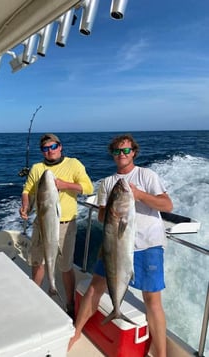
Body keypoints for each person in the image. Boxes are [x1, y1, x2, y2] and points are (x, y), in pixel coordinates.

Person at [69, 134, 173, 357]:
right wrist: (108, 209)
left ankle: (161, 354)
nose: (122, 154)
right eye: (117, 151)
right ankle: (76, 332)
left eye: (126, 150)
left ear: (133, 152)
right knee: (96, 286)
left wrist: (138, 195)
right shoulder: (107, 183)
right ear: (112, 154)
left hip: (148, 245)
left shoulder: (147, 175)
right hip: (113, 243)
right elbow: (101, 217)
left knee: (152, 298)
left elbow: (167, 205)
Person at [20, 133, 93, 318]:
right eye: (45, 148)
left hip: (65, 225)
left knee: (65, 266)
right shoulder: (37, 168)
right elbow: (27, 190)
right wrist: (25, 206)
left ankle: (70, 304)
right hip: (41, 222)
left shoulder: (73, 164)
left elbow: (88, 188)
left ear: (60, 147)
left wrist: (64, 184)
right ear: (42, 151)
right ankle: (33, 297)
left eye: (53, 147)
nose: (50, 151)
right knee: (38, 262)